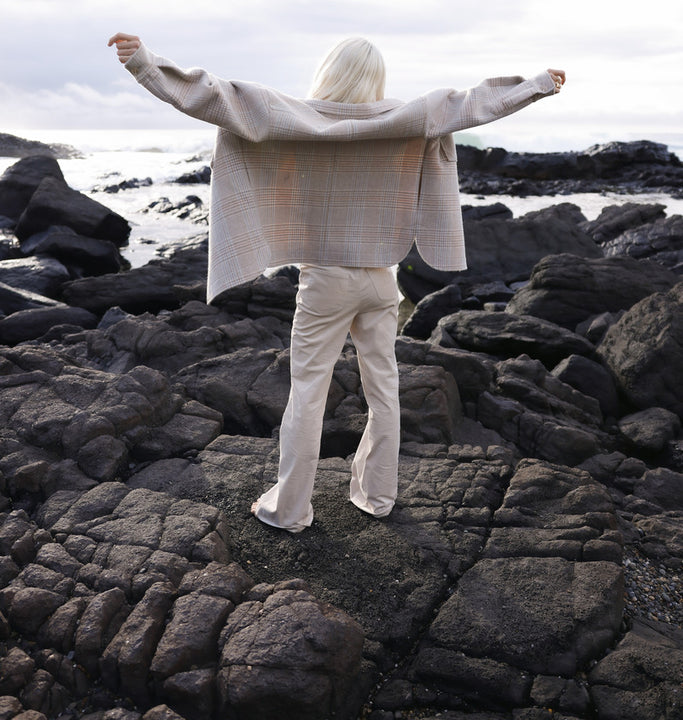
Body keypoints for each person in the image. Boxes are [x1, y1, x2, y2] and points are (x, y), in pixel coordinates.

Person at [109, 32, 565, 532]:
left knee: (308, 389)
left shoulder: (294, 115)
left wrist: (145, 64)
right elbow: (476, 104)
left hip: (326, 280)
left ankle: (290, 509)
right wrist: (538, 85)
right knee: (384, 387)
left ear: (330, 70)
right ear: (377, 78)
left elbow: (214, 96)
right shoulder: (407, 117)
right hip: (381, 281)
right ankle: (377, 496)